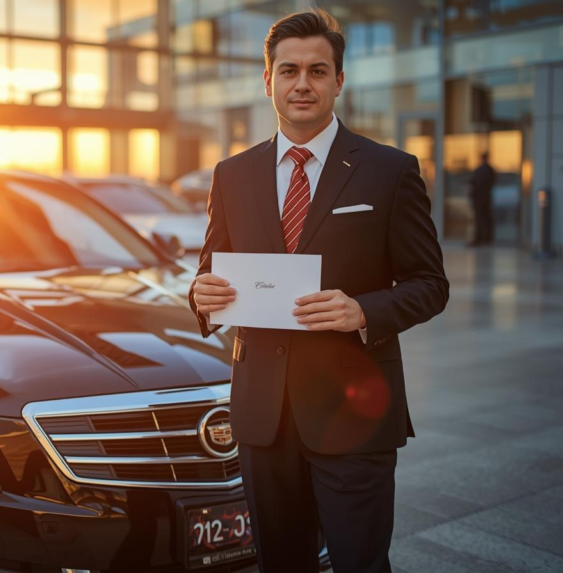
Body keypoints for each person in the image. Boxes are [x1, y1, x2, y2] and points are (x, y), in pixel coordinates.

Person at [188, 9, 449, 573]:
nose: (301, 83)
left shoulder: (390, 170)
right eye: (288, 71)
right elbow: (210, 271)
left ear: (339, 81)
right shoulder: (232, 174)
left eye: (317, 70)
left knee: (360, 563)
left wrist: (363, 310)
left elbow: (431, 285)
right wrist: (202, 297)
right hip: (263, 416)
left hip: (354, 413)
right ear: (268, 81)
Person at [468, 152, 496, 245]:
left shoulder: (485, 170)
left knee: (481, 218)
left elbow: (477, 183)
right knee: (483, 218)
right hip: (482, 198)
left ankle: (482, 238)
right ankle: (484, 238)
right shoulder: (485, 169)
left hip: (482, 198)